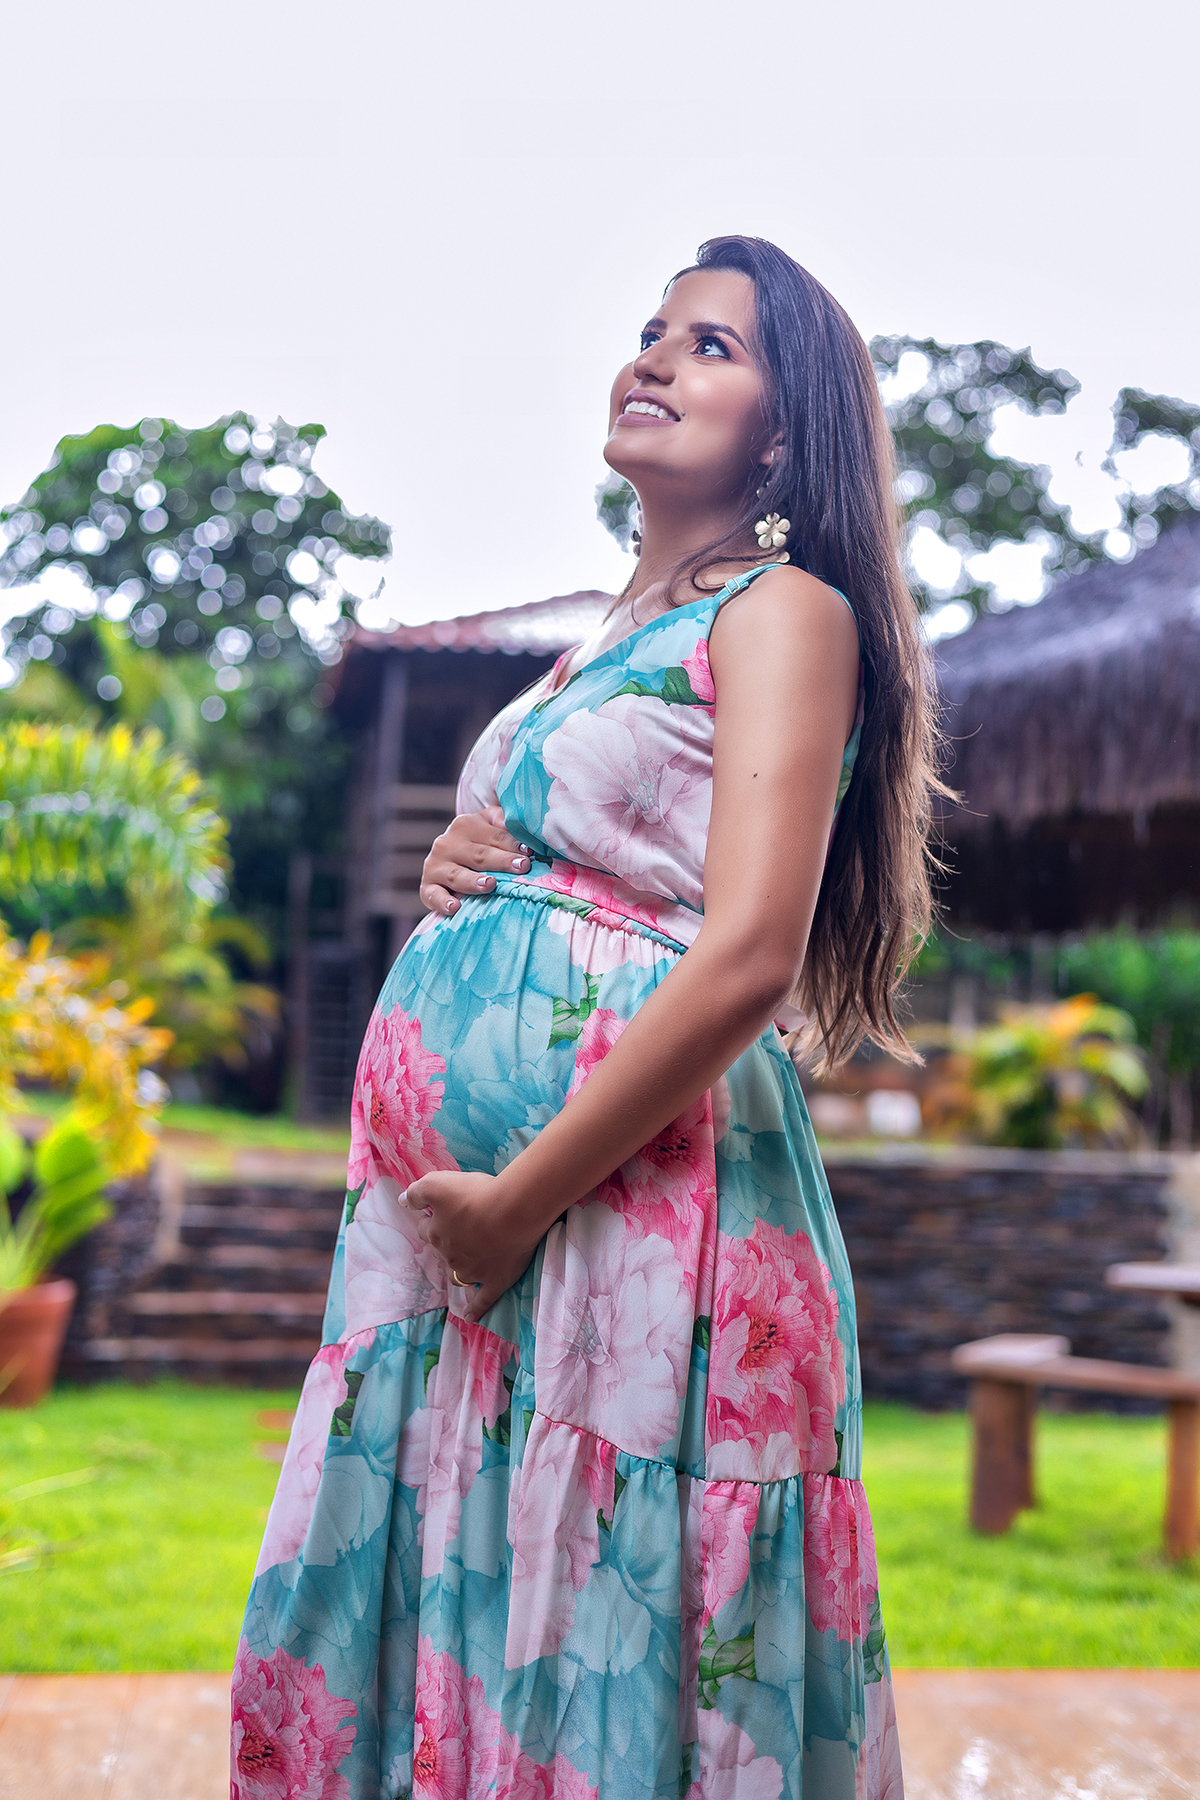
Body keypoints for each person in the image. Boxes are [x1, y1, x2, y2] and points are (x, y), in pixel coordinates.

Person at [231, 235, 938, 1800]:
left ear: (785, 431)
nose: (658, 357)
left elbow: (747, 954)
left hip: (632, 1215)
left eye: (713, 345)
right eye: (652, 330)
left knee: (609, 1637)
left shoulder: (784, 612)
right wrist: (459, 860)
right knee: (479, 1617)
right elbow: (604, 855)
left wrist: (518, 1201)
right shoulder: (595, 647)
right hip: (480, 1255)